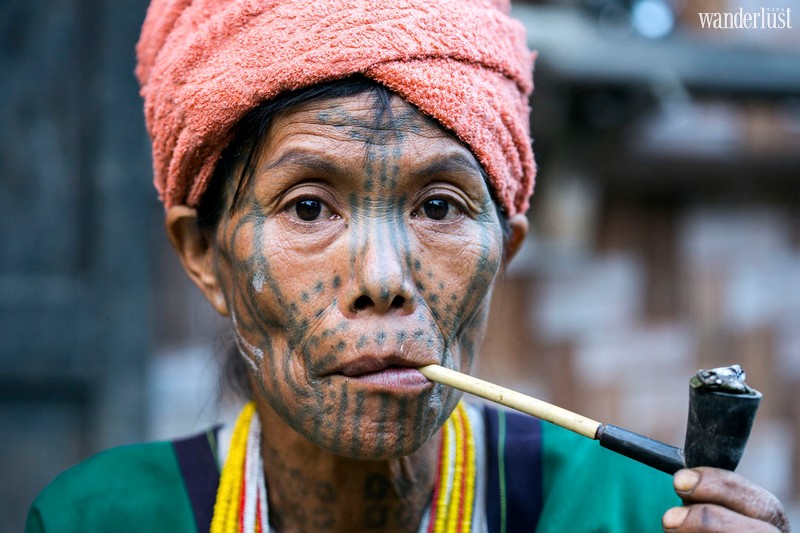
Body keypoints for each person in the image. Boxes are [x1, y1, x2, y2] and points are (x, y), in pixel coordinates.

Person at [27, 1, 790, 531]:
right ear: (205, 255)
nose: (384, 278)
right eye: (308, 206)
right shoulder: (97, 518)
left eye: (438, 207)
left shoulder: (633, 517)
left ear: (506, 250)